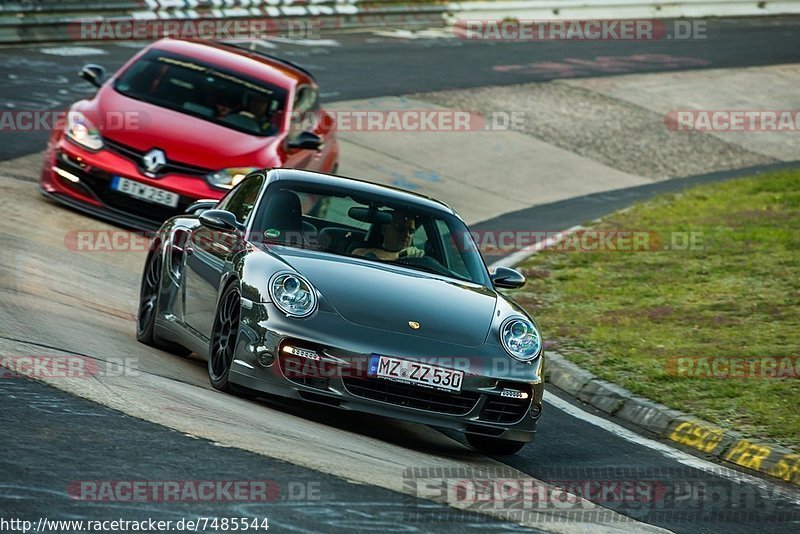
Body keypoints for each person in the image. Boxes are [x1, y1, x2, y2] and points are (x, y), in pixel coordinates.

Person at [352, 210, 424, 261]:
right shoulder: (364, 249)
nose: (407, 234)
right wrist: (399, 255)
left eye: (411, 231)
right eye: (400, 229)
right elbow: (357, 253)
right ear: (384, 229)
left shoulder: (416, 257)